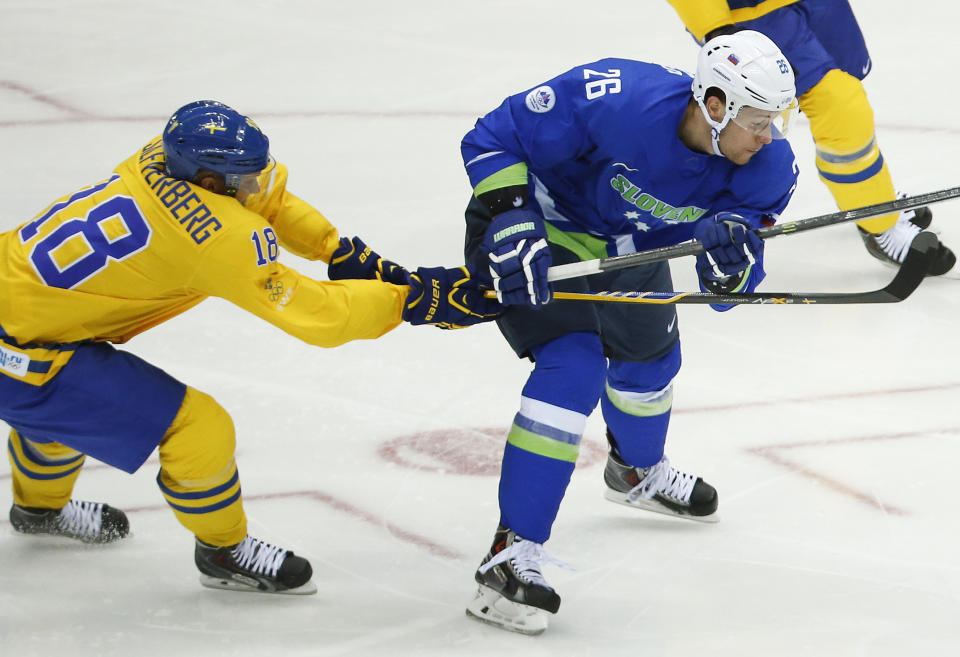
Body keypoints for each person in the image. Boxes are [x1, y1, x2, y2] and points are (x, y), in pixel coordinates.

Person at [0, 100, 499, 595]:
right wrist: (412, 300)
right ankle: (223, 551)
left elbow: (269, 201)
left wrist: (335, 248)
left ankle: (38, 509)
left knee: (67, 411)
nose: (259, 185)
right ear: (211, 182)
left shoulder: (163, 155)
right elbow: (319, 316)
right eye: (247, 179)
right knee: (197, 427)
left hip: (31, 309)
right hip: (20, 349)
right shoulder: (218, 238)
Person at [458, 30, 797, 634]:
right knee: (575, 364)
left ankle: (635, 472)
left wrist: (730, 264)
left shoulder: (767, 165)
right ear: (714, 104)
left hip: (632, 252)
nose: (769, 136)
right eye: (758, 119)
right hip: (541, 234)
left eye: (777, 120)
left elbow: (732, 285)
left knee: (651, 361)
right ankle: (507, 559)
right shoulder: (616, 95)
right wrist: (510, 216)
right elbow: (491, 136)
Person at [666, 0, 957, 276]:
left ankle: (874, 196)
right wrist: (713, 24)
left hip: (816, 7)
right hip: (753, 15)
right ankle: (880, 224)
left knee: (845, 84)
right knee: (839, 105)